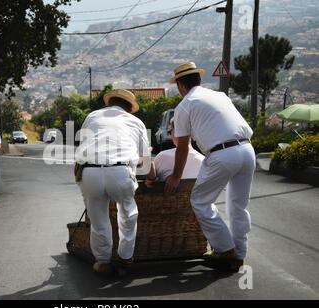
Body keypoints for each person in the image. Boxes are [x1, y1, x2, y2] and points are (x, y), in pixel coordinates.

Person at [166, 62, 255, 271]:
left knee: (200, 201)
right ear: (200, 80)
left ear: (180, 85)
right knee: (238, 206)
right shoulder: (220, 96)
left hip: (222, 154)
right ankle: (239, 254)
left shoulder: (184, 106)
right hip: (247, 149)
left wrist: (176, 176)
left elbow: (182, 147)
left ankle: (225, 250)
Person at [75, 89, 150, 274]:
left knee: (98, 220)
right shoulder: (136, 122)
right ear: (130, 109)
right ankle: (125, 257)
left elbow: (84, 143)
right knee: (128, 214)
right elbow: (146, 160)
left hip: (90, 171)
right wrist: (152, 176)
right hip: (120, 171)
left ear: (109, 104)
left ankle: (103, 263)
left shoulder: (92, 116)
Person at [145, 119, 204, 187]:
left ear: (175, 132)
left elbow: (151, 181)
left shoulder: (162, 157)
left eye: (171, 131)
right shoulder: (203, 160)